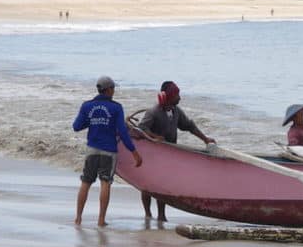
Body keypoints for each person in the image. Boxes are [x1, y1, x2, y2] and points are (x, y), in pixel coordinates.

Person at [138, 81, 216, 221]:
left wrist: (205, 139)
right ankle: (148, 214)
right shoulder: (153, 112)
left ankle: (161, 215)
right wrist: (155, 137)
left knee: (162, 185)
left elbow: (189, 126)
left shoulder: (176, 111)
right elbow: (141, 129)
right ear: (168, 97)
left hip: (168, 156)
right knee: (147, 184)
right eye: (177, 95)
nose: (179, 98)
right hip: (153, 155)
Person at [72, 75, 142, 226]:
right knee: (105, 183)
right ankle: (101, 220)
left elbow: (76, 126)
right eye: (113, 88)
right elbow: (123, 133)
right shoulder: (116, 107)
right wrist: (134, 152)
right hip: (109, 151)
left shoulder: (87, 106)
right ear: (108, 89)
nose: (114, 91)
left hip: (92, 149)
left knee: (86, 182)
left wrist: (92, 121)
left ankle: (78, 218)